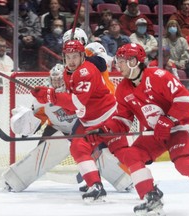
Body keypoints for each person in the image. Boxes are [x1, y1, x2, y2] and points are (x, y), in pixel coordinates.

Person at [84, 43, 189, 216]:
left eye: (122, 61)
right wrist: (103, 130)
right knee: (132, 155)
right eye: (118, 61)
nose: (118, 65)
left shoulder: (158, 76)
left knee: (185, 164)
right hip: (155, 133)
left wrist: (168, 120)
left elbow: (185, 100)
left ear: (134, 61)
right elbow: (122, 120)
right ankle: (151, 198)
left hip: (178, 128)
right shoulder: (123, 89)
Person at [31, 40, 131, 202]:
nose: (71, 61)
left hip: (107, 116)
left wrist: (50, 95)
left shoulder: (86, 71)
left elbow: (77, 102)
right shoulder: (67, 72)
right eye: (68, 57)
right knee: (78, 148)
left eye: (75, 57)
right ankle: (96, 186)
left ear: (82, 56)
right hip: (89, 119)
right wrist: (49, 96)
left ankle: (147, 185)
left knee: (120, 151)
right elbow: (74, 107)